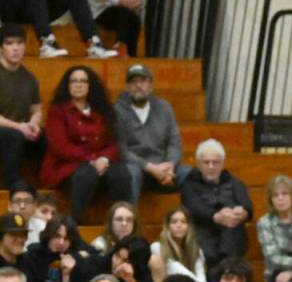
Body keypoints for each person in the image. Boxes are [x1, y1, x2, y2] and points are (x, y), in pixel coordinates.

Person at [40, 65, 132, 223]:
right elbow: (60, 146)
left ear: (90, 86)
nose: (78, 84)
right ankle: (76, 224)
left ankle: (121, 222)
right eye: (74, 81)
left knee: (121, 173)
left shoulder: (102, 110)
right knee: (86, 173)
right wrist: (91, 159)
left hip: (99, 165)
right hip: (66, 167)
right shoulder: (57, 111)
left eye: (83, 81)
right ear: (67, 85)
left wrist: (103, 159)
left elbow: (112, 143)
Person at [115, 63, 190, 202]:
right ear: (127, 87)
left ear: (151, 85)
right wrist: (150, 168)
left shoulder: (164, 107)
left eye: (143, 81)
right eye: (133, 82)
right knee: (130, 173)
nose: (138, 85)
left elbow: (174, 142)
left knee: (193, 175)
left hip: (164, 168)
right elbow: (122, 150)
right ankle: (130, 220)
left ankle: (188, 221)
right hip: (137, 169)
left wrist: (170, 165)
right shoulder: (117, 111)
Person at [180, 139, 252, 269]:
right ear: (198, 164)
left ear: (223, 163)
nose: (211, 166)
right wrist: (216, 216)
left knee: (232, 226)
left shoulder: (235, 182)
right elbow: (193, 208)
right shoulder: (189, 184)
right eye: (206, 162)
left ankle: (227, 267)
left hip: (233, 233)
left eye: (216, 162)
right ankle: (224, 270)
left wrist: (241, 213)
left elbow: (248, 207)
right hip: (204, 229)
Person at [0, 23, 45, 190]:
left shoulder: (29, 78)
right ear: (1, 48)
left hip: (20, 130)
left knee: (46, 136)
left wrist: (34, 123)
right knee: (14, 136)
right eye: (9, 43)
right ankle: (13, 184)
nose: (15, 48)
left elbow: (36, 109)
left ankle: (47, 182)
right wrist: (20, 127)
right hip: (7, 131)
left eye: (19, 43)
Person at [22, 215, 81, 282]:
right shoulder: (30, 257)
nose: (61, 242)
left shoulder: (74, 260)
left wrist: (66, 276)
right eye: (57, 236)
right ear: (48, 235)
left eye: (66, 239)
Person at [150, 205, 207, 282]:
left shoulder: (197, 250)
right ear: (168, 226)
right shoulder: (157, 247)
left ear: (188, 226)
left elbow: (201, 278)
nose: (179, 225)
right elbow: (175, 268)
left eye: (183, 222)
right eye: (174, 222)